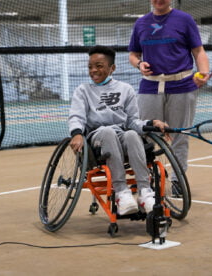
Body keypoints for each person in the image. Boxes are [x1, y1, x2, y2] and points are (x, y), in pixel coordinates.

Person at [68, 45, 169, 216]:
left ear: (112, 68)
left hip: (121, 135)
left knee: (131, 134)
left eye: (99, 66)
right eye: (90, 67)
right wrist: (77, 133)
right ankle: (121, 193)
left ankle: (145, 193)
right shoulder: (83, 91)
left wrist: (152, 122)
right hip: (97, 137)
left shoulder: (125, 89)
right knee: (107, 132)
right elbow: (76, 116)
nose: (93, 70)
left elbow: (132, 121)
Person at [128, 0, 210, 177]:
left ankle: (176, 180)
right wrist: (139, 64)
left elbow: (198, 51)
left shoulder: (184, 20)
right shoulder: (141, 23)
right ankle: (146, 180)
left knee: (179, 136)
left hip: (182, 85)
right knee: (145, 134)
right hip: (150, 87)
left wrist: (204, 73)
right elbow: (133, 54)